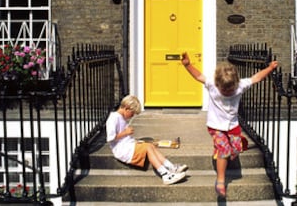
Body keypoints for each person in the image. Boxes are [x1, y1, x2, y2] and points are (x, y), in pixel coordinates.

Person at [181, 52, 278, 197]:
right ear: (218, 84)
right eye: (224, 89)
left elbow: (256, 78)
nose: (227, 92)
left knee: (236, 150)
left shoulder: (241, 86)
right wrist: (188, 65)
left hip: (232, 125)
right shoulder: (212, 85)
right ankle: (220, 181)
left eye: (230, 89)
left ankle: (227, 146)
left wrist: (270, 68)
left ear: (235, 84)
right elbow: (198, 76)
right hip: (215, 126)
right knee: (224, 151)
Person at [106, 95, 188, 185]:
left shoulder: (122, 117)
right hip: (122, 150)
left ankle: (171, 167)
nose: (132, 116)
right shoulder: (113, 118)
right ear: (127, 108)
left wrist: (135, 141)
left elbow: (125, 138)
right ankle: (165, 174)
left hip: (128, 146)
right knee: (148, 147)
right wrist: (126, 132)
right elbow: (110, 138)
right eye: (132, 113)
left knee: (151, 145)